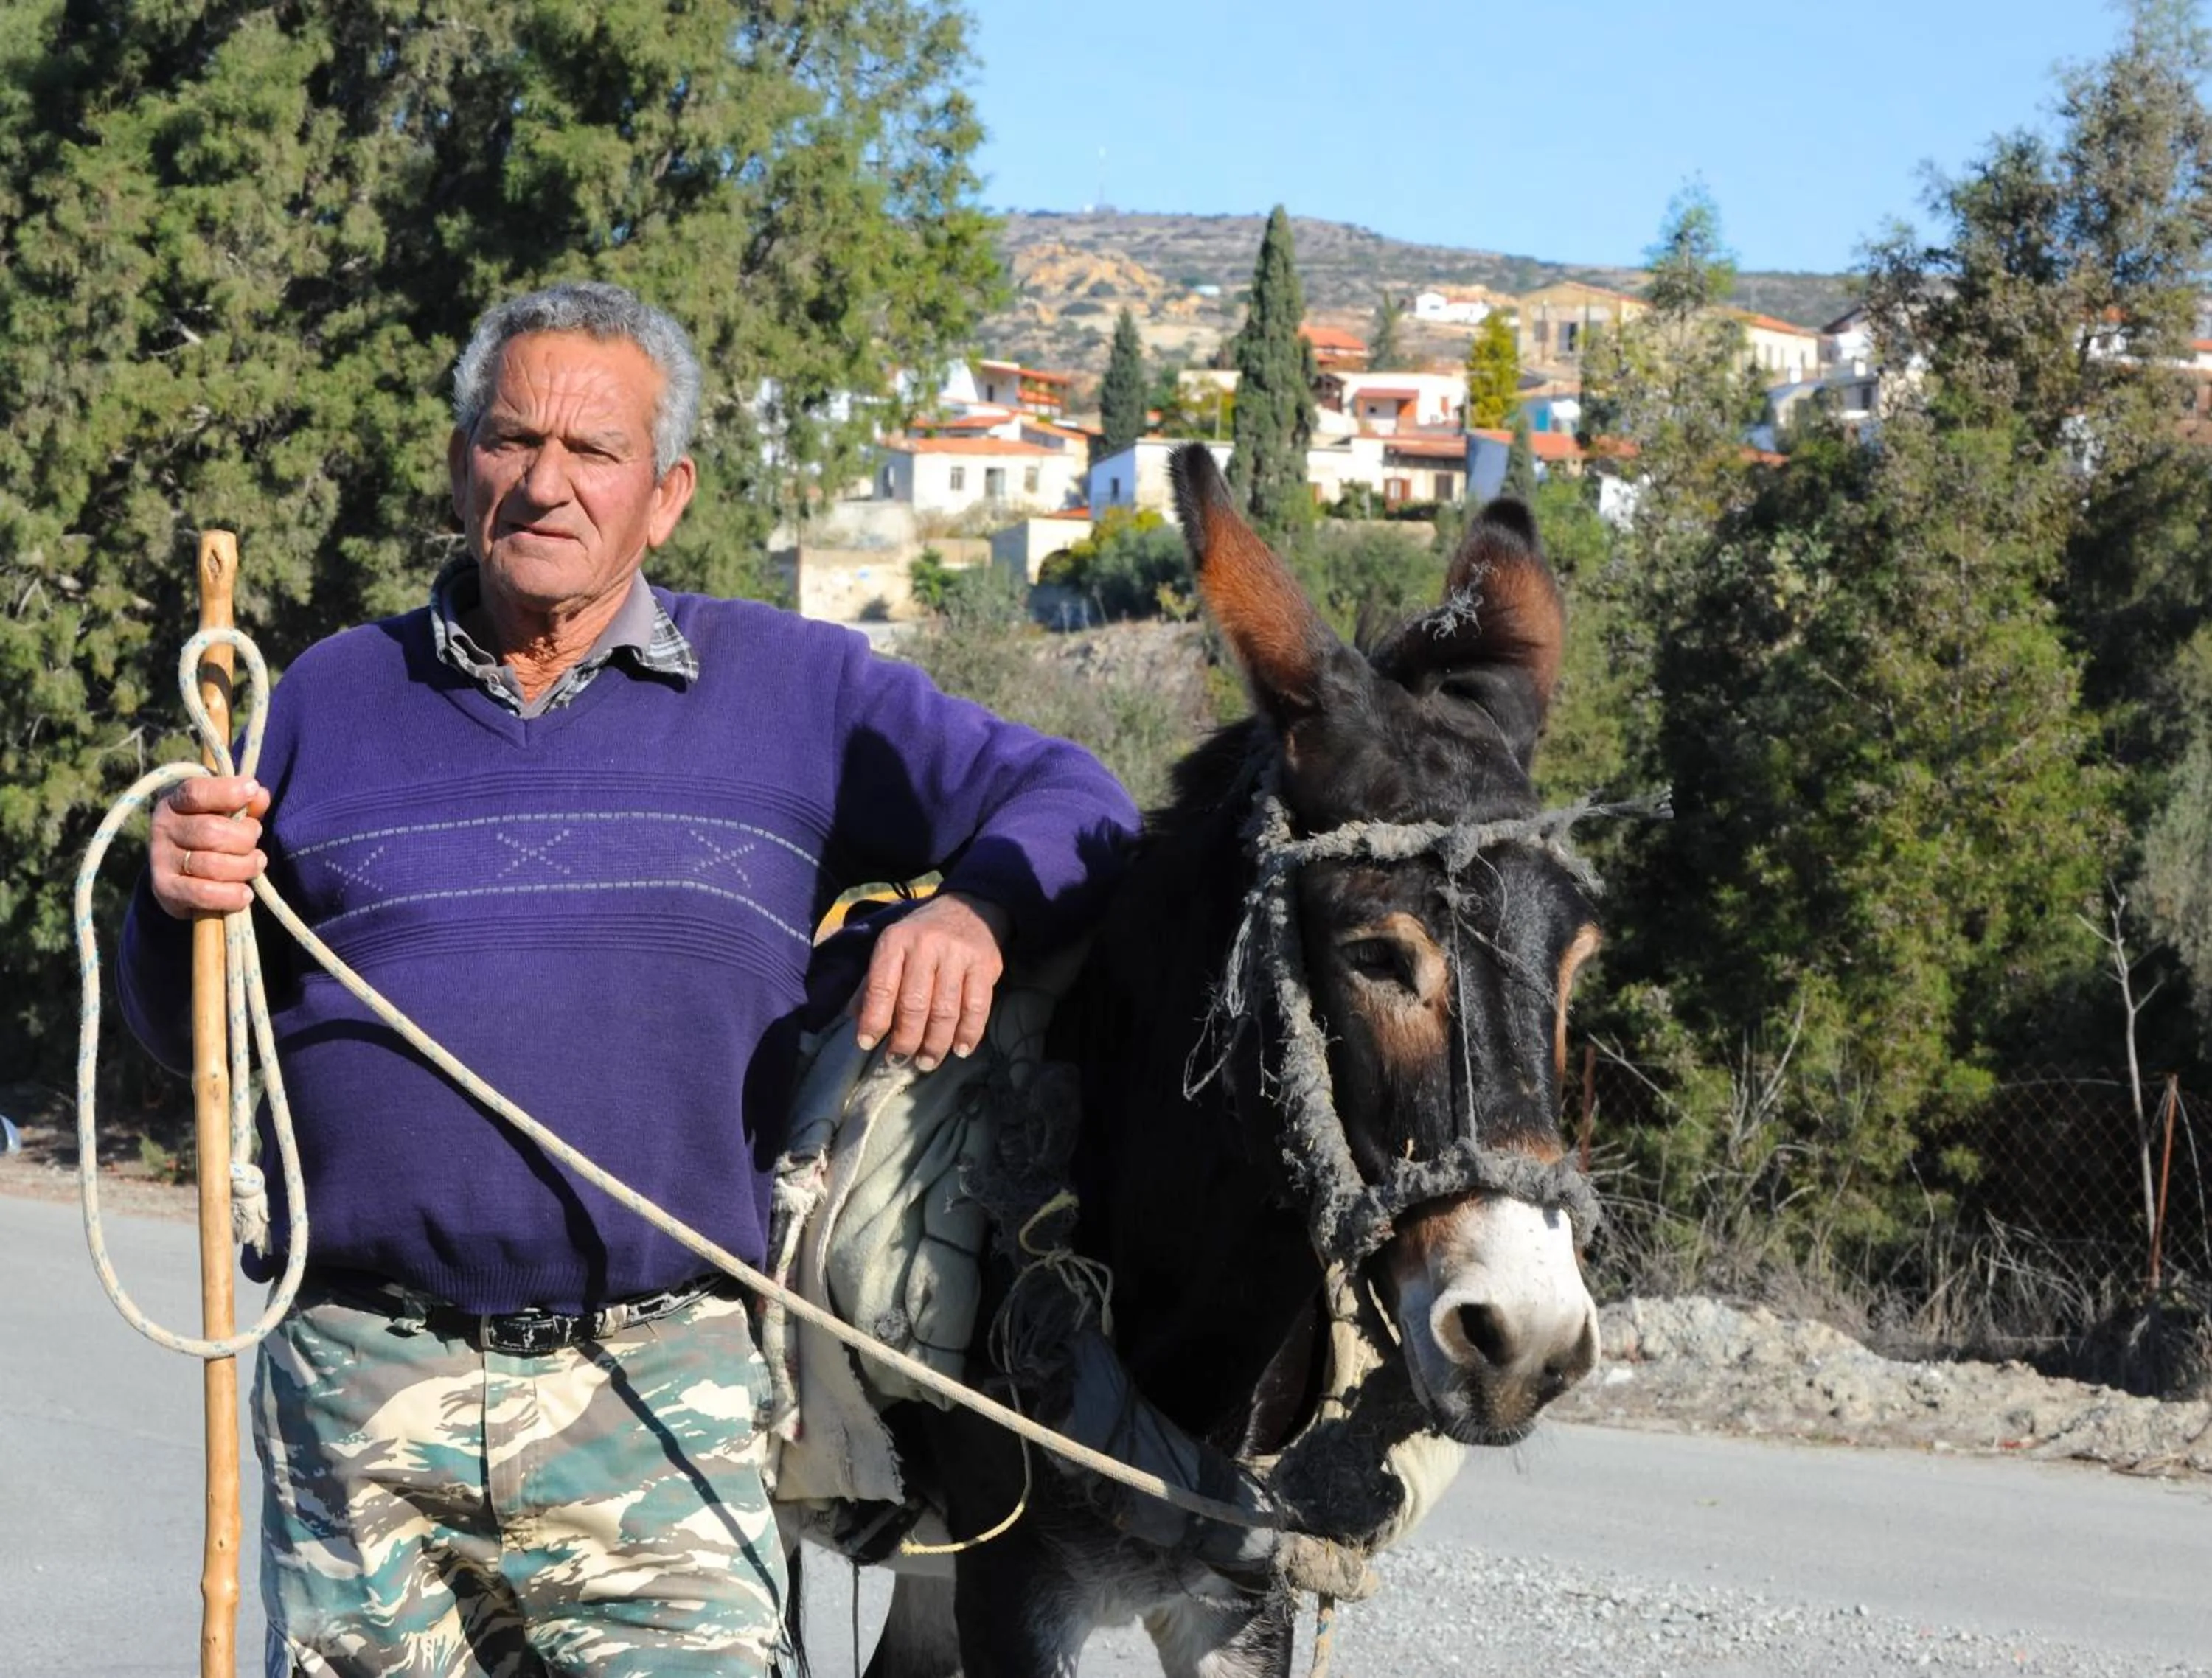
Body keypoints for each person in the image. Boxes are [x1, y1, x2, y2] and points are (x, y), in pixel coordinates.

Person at [118, 279, 1140, 1677]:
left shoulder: (795, 688)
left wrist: (977, 912)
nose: (545, 482)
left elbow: (1078, 797)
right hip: (357, 1390)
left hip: (659, 1388)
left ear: (666, 496)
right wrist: (170, 898)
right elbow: (191, 1042)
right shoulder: (324, 701)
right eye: (510, 438)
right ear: (459, 461)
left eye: (593, 452)